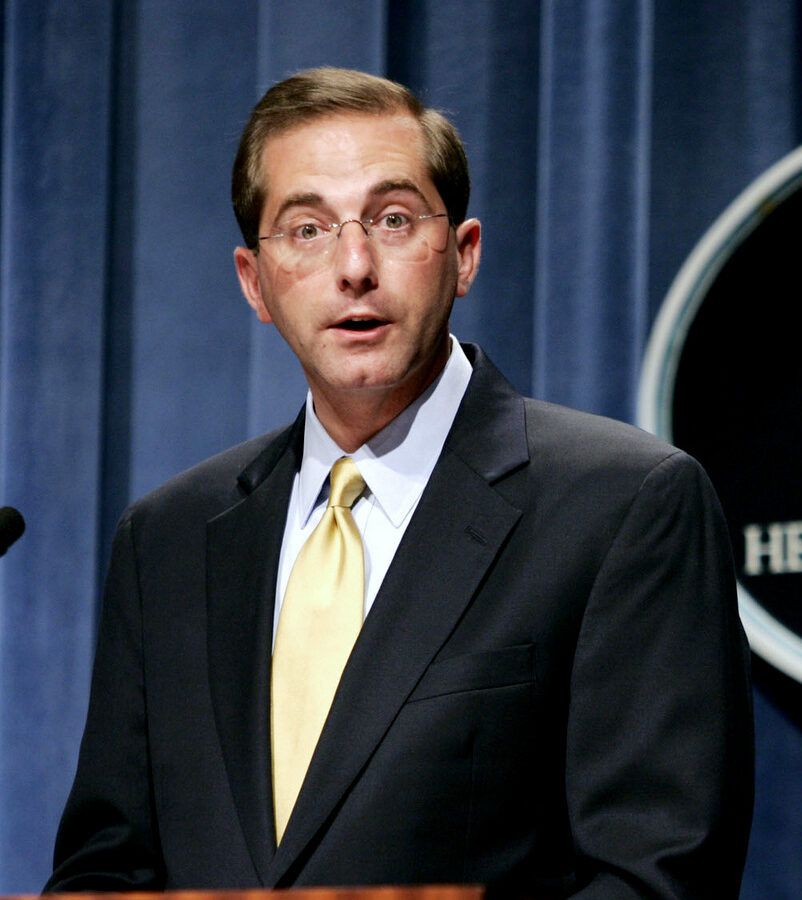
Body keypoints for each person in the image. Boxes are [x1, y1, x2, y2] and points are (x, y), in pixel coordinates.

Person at [46, 68, 753, 898]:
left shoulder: (624, 506)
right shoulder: (165, 540)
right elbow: (105, 869)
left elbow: (656, 876)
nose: (354, 266)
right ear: (254, 282)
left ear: (462, 254)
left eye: (391, 219)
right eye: (305, 229)